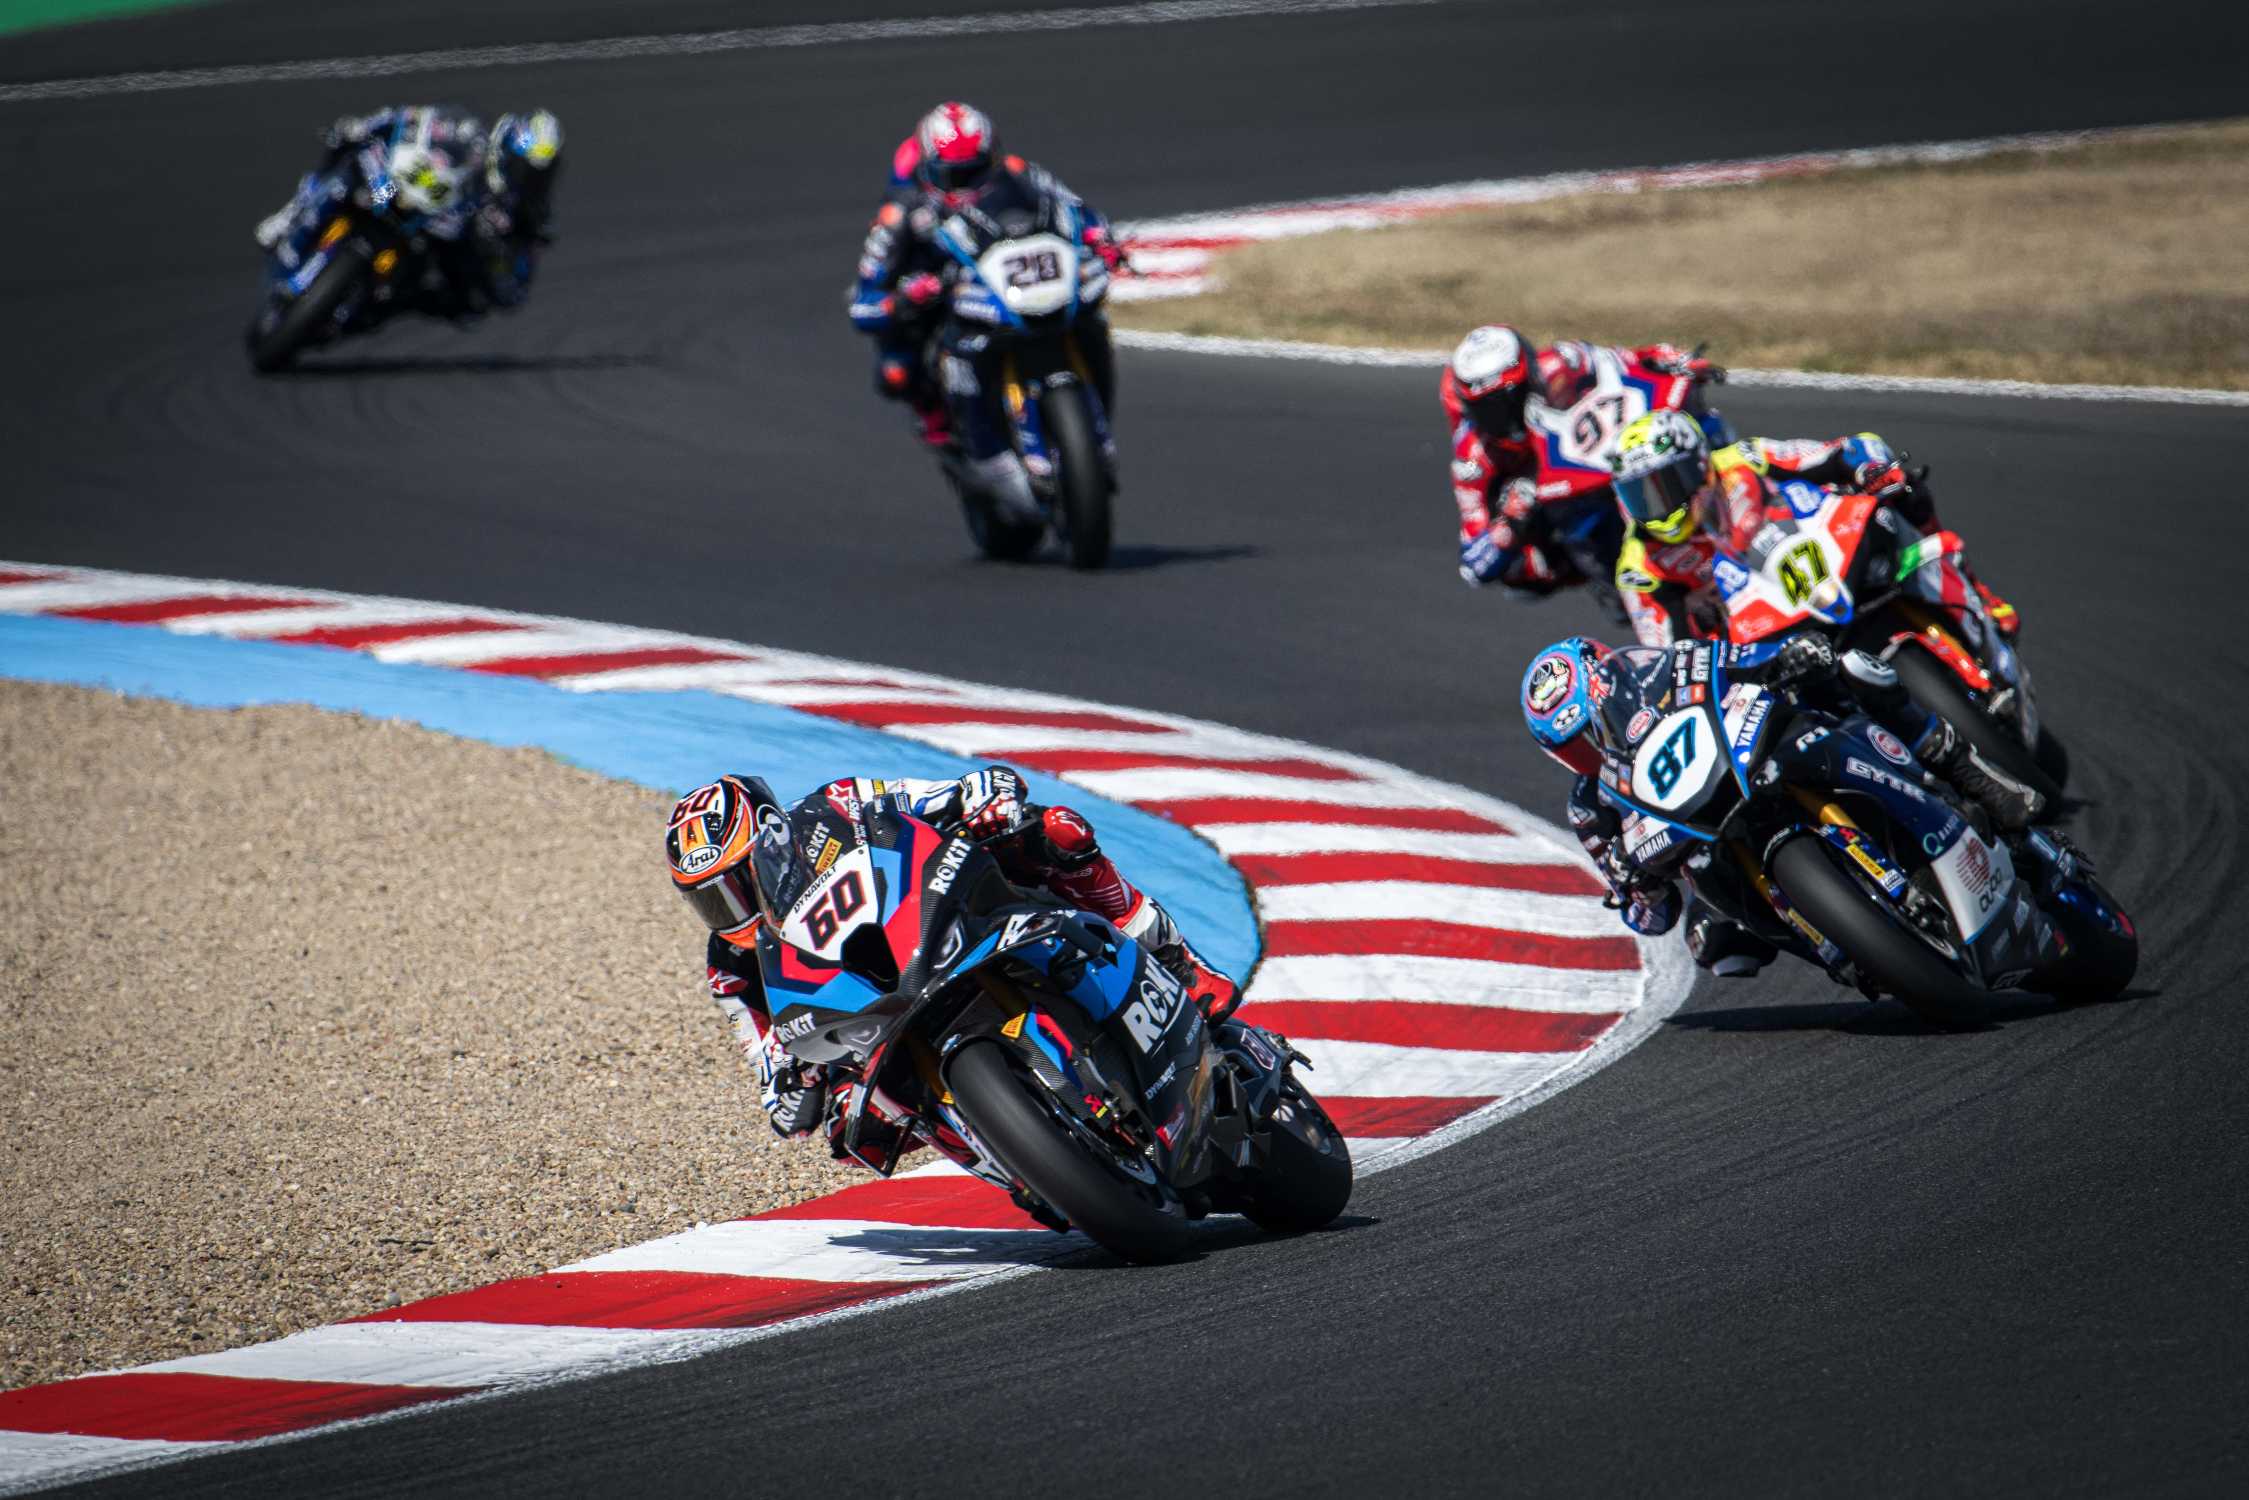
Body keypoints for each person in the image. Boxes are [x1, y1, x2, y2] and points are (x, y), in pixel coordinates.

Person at [666, 767, 1237, 1153]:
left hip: (927, 923)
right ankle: (1015, 1157)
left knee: (1053, 831)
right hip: (864, 1023)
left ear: (771, 838)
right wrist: (794, 1083)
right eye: (710, 901)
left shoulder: (831, 805)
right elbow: (777, 1091)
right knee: (848, 1126)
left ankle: (1173, 957)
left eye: (737, 885)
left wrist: (982, 795)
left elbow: (931, 796)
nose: (731, 911)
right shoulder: (730, 968)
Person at [1519, 633, 2043, 975]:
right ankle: (1833, 943)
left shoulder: (1673, 665)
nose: (1587, 752)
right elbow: (1652, 916)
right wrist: (1635, 887)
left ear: (1611, 685)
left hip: (1754, 759)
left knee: (1855, 672)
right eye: (1572, 749)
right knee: (1711, 942)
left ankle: (1969, 772)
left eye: (1590, 731)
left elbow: (1749, 656)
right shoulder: (1590, 807)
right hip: (1705, 837)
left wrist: (1790, 654)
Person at [846, 102, 1126, 514]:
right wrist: (907, 296)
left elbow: (1075, 210)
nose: (967, 186)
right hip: (943, 299)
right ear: (929, 168)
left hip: (1011, 280)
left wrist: (1101, 237)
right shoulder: (903, 210)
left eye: (975, 172)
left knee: (1091, 316)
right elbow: (864, 302)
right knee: (896, 370)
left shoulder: (1019, 172)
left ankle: (1089, 429)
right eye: (954, 176)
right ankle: (940, 425)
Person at [1606, 410, 2015, 647]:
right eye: (1639, 495)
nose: (1656, 506)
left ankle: (1979, 593)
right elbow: (1670, 654)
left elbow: (1838, 451)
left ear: (1697, 464)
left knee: (1905, 487)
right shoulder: (1638, 568)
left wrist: (1868, 469)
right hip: (1762, 635)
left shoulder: (1743, 458)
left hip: (1822, 554)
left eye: (1665, 486)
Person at [1443, 325, 1721, 593]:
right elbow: (1472, 565)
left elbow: (1621, 360)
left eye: (1513, 396)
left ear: (1530, 374)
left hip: (1585, 461)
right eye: (1487, 407)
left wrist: (1669, 358)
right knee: (1522, 568)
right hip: (1545, 508)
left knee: (1685, 430)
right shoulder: (1473, 459)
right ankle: (1620, 593)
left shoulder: (1561, 360)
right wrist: (1511, 522)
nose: (1505, 413)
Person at [254, 104, 564, 317]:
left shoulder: (528, 217)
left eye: (541, 175)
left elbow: (514, 291)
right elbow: (413, 119)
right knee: (348, 168)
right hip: (400, 196)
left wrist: (490, 258)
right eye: (526, 169)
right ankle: (290, 216)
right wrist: (365, 128)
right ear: (505, 150)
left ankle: (372, 304)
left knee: (453, 301)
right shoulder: (469, 137)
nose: (531, 181)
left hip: (433, 250)